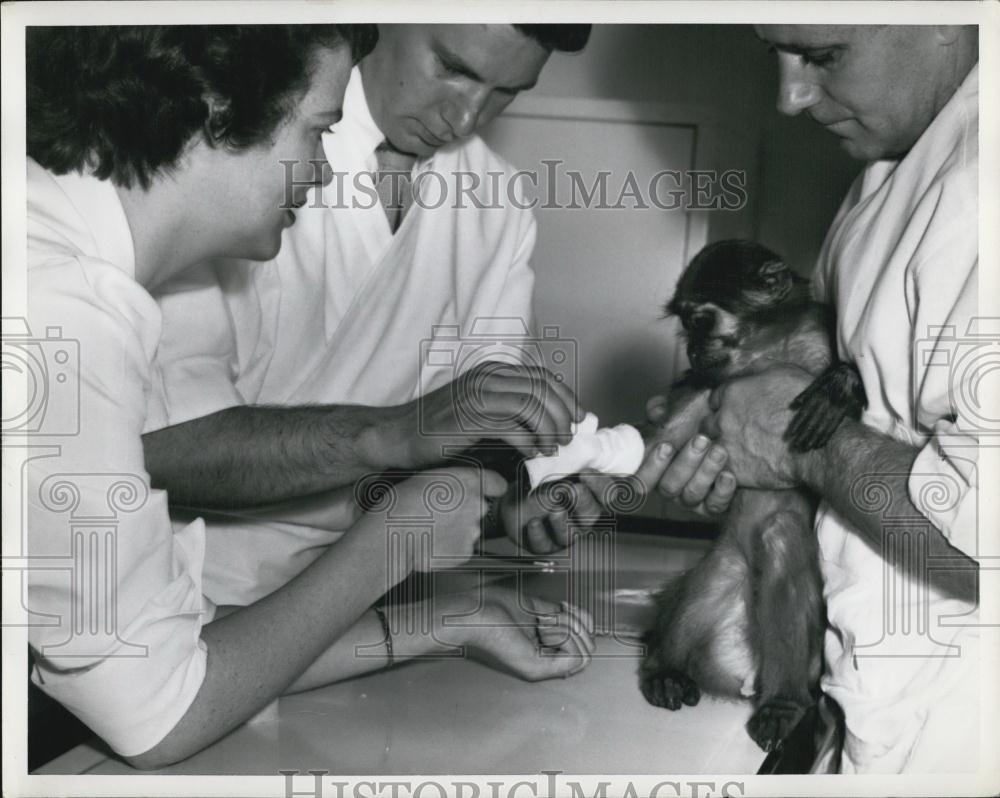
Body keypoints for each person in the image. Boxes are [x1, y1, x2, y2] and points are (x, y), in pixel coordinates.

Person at [25, 25, 594, 771]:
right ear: (212, 109)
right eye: (319, 131)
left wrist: (503, 514)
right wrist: (394, 518)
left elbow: (178, 667)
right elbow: (156, 704)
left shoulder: (73, 266)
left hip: (252, 637)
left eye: (506, 92)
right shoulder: (67, 307)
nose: (464, 118)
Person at [143, 23, 737, 605]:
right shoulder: (243, 145)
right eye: (453, 68)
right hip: (168, 585)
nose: (465, 118)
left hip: (351, 598)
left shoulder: (498, 205)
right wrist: (395, 432)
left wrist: (518, 501)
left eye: (506, 92)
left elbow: (477, 447)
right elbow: (160, 446)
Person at [697, 25, 981, 773]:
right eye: (778, 56)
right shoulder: (885, 169)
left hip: (962, 727)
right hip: (861, 678)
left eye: (824, 56)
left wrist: (797, 440)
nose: (789, 98)